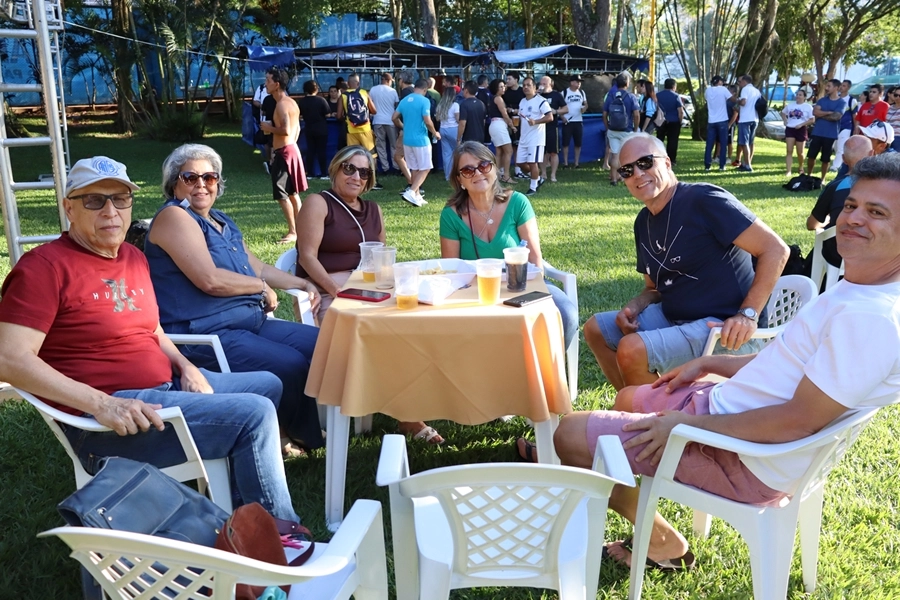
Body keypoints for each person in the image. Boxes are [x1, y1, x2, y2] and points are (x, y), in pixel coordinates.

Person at [552, 152, 900, 571]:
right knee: (628, 397)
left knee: (568, 434)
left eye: (875, 212)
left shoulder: (872, 318)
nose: (852, 219)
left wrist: (685, 425)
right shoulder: (857, 289)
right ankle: (640, 485)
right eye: (851, 206)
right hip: (732, 413)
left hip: (746, 460)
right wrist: (708, 366)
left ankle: (662, 541)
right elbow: (784, 364)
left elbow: (798, 421)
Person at [0, 156, 300, 521]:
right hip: (111, 417)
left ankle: (238, 508)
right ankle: (279, 534)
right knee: (254, 413)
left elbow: (152, 329)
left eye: (120, 199)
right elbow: (10, 359)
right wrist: (101, 404)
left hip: (165, 388)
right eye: (94, 200)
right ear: (69, 209)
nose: (110, 210)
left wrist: (186, 366)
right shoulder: (43, 268)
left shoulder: (131, 256)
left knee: (268, 384)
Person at [144, 144, 324, 456]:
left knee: (324, 343)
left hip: (249, 322)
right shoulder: (174, 216)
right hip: (206, 333)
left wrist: (302, 282)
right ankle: (303, 436)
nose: (202, 184)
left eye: (210, 177)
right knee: (290, 364)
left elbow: (258, 266)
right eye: (190, 177)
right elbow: (210, 280)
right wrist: (260, 287)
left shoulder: (220, 220)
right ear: (174, 183)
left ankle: (325, 417)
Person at [583, 133, 789, 391]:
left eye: (645, 162)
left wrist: (747, 314)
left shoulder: (704, 200)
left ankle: (652, 422)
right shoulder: (643, 222)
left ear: (667, 163)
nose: (637, 173)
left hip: (725, 327)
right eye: (626, 170)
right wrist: (636, 305)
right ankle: (637, 405)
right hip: (676, 318)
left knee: (632, 349)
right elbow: (654, 288)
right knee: (596, 330)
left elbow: (775, 249)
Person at [295, 145, 445, 445]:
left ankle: (421, 399)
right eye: (349, 168)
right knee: (377, 337)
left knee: (415, 326)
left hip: (372, 291)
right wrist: (336, 289)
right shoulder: (319, 202)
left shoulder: (374, 209)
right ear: (335, 168)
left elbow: (382, 262)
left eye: (363, 172)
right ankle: (407, 416)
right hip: (333, 294)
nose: (356, 176)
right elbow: (306, 257)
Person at [438, 141, 578, 351]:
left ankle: (546, 374)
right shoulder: (451, 215)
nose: (477, 173)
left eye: (484, 165)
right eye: (468, 170)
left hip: (525, 285)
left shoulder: (518, 203)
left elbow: (534, 261)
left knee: (567, 314)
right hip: (477, 294)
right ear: (459, 180)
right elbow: (453, 271)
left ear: (494, 168)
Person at [806, 135, 873, 268]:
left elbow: (811, 224)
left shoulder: (835, 186)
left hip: (836, 256)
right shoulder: (886, 188)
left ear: (843, 159)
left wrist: (826, 223)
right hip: (875, 256)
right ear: (872, 154)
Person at [258, 67, 307, 245]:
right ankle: (301, 229)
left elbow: (285, 130)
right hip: (290, 150)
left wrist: (268, 128)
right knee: (292, 192)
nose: (265, 83)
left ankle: (293, 231)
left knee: (282, 193)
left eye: (268, 80)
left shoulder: (282, 104)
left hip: (285, 152)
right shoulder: (292, 102)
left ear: (276, 84)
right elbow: (297, 129)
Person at [393, 78, 440, 207]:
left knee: (414, 168)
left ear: (415, 88)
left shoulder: (404, 100)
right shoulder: (425, 101)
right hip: (421, 139)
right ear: (425, 89)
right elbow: (427, 120)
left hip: (407, 139)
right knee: (425, 168)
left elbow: (394, 117)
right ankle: (412, 191)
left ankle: (417, 196)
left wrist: (403, 126)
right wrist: (435, 132)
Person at [517, 77, 553, 196]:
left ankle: (533, 187)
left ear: (534, 87)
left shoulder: (541, 101)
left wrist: (536, 121)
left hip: (536, 138)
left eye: (528, 85)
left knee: (533, 163)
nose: (526, 87)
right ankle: (538, 178)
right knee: (521, 163)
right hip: (524, 138)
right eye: (524, 85)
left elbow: (550, 117)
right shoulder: (522, 101)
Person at [603, 72, 640, 185]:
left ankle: (614, 179)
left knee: (615, 154)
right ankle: (625, 179)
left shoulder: (610, 96)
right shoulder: (630, 97)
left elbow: (604, 114)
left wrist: (607, 127)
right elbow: (636, 115)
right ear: (627, 84)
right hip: (627, 130)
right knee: (627, 156)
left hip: (613, 130)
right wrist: (635, 129)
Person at [806, 79, 845, 180]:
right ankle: (808, 176)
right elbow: (815, 112)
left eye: (829, 86)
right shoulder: (822, 100)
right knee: (811, 155)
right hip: (817, 132)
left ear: (836, 88)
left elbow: (836, 117)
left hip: (830, 134)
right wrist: (828, 112)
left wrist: (821, 114)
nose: (826, 88)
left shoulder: (841, 102)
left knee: (825, 159)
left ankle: (822, 179)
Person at [337, 73, 377, 157]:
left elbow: (338, 116)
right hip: (366, 129)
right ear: (358, 83)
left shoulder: (343, 96)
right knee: (371, 155)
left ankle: (356, 170)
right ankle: (372, 170)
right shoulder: (364, 93)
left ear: (348, 83)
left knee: (353, 155)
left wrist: (346, 118)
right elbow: (374, 111)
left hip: (351, 130)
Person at [298, 80, 331, 180]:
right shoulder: (321, 100)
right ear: (316, 89)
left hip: (309, 128)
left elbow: (300, 115)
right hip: (321, 128)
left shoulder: (302, 101)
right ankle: (323, 173)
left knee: (310, 151)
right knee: (321, 151)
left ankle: (310, 173)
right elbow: (328, 114)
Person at [368, 72, 400, 176]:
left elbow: (369, 103)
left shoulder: (373, 89)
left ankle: (385, 168)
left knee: (380, 145)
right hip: (390, 121)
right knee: (394, 145)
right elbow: (396, 105)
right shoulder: (393, 91)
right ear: (388, 80)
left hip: (377, 120)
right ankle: (396, 166)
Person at [487, 78, 517, 184]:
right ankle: (506, 175)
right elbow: (504, 114)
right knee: (509, 151)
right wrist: (512, 125)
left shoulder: (494, 98)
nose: (504, 88)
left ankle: (497, 175)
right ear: (495, 88)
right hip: (499, 125)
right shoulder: (498, 98)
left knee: (499, 152)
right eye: (501, 86)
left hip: (495, 125)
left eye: (504, 86)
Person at [539, 75, 567, 183]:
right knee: (542, 152)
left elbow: (566, 109)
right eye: (541, 83)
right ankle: (543, 173)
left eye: (544, 84)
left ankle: (553, 175)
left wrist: (556, 111)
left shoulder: (556, 95)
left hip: (552, 127)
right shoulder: (537, 95)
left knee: (553, 152)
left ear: (550, 84)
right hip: (540, 127)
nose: (542, 86)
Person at [781, 89, 814, 177]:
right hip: (790, 129)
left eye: (800, 95)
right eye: (797, 94)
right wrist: (785, 121)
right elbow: (783, 113)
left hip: (801, 129)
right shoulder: (790, 106)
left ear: (804, 97)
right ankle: (788, 170)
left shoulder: (808, 107)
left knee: (800, 152)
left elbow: (812, 120)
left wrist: (802, 124)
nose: (798, 96)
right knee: (789, 150)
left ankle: (801, 167)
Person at [704, 75, 732, 171]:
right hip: (722, 120)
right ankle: (722, 165)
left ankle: (707, 165)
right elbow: (731, 99)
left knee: (709, 144)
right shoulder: (723, 89)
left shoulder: (708, 90)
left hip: (711, 120)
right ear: (719, 81)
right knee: (723, 143)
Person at [655, 79, 684, 166]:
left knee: (659, 140)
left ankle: (658, 158)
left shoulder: (658, 95)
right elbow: (680, 111)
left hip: (660, 120)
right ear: (674, 86)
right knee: (672, 141)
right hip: (674, 121)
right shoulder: (676, 96)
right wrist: (680, 120)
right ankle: (671, 160)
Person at [735, 74, 761, 172]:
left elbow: (743, 102)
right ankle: (747, 162)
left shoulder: (745, 89)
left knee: (744, 142)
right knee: (751, 142)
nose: (739, 83)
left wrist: (737, 100)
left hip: (745, 119)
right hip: (755, 118)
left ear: (745, 81)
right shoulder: (756, 90)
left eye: (740, 81)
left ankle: (747, 165)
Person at [561, 74, 588, 169]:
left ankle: (576, 163)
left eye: (580, 82)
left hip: (578, 121)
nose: (579, 84)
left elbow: (586, 104)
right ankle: (565, 163)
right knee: (565, 143)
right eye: (577, 82)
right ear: (572, 82)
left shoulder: (582, 92)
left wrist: (584, 108)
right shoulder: (564, 92)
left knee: (578, 143)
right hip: (568, 121)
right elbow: (560, 107)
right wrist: (562, 117)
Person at [503, 73, 527, 178]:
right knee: (507, 146)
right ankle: (502, 170)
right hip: (507, 122)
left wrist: (517, 110)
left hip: (521, 122)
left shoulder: (522, 91)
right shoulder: (505, 92)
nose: (507, 81)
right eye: (507, 79)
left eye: (509, 79)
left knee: (519, 145)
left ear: (516, 80)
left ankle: (518, 170)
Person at [831, 79, 858, 170]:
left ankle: (836, 166)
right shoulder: (835, 98)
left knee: (841, 147)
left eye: (844, 86)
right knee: (835, 146)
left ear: (848, 88)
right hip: (834, 126)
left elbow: (855, 116)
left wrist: (855, 128)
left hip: (846, 127)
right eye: (841, 85)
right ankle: (840, 162)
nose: (841, 87)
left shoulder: (851, 100)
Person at [435, 87, 461, 181]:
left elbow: (437, 119)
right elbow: (458, 119)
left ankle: (448, 176)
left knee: (446, 154)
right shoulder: (455, 105)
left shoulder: (440, 105)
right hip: (453, 129)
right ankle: (458, 174)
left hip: (443, 129)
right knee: (458, 152)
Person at [252, 81, 271, 172]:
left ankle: (274, 162)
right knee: (267, 141)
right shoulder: (261, 88)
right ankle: (269, 161)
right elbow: (255, 101)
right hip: (265, 120)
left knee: (274, 142)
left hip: (277, 121)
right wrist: (262, 106)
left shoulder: (281, 90)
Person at [886, 86, 900, 152]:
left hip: (898, 138)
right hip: (888, 138)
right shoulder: (889, 108)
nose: (897, 97)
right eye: (896, 95)